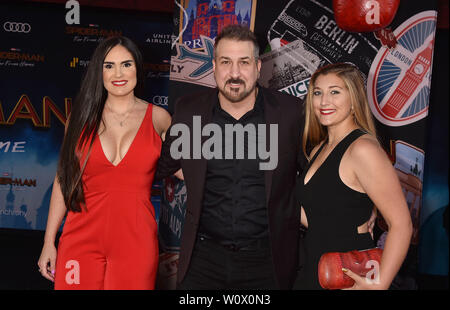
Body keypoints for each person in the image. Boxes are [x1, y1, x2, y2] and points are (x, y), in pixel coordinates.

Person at [155, 25, 305, 289]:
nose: (234, 74)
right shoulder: (189, 111)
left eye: (244, 62)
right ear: (214, 65)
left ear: (258, 66)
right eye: (226, 62)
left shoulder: (290, 113)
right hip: (203, 260)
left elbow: (318, 173)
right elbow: (162, 164)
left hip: (267, 261)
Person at [37, 36, 171, 289]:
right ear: (98, 71)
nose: (118, 73)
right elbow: (63, 180)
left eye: (126, 64)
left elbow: (188, 171)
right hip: (80, 237)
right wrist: (48, 241)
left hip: (136, 241)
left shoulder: (160, 119)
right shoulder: (79, 119)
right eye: (108, 65)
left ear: (137, 68)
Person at [294, 63, 413, 290]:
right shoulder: (319, 148)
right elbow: (317, 216)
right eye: (318, 93)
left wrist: (380, 283)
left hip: (349, 273)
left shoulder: (362, 149)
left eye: (335, 92)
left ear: (354, 100)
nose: (324, 101)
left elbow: (402, 224)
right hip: (314, 267)